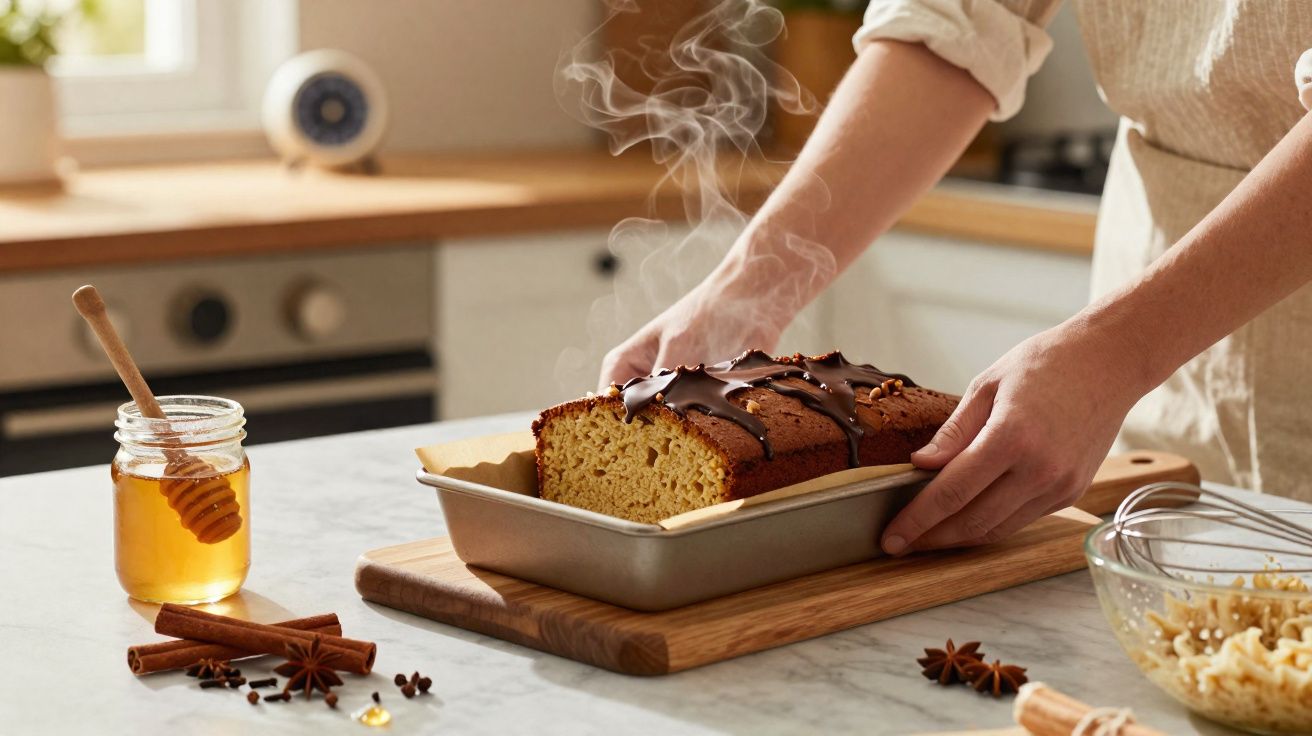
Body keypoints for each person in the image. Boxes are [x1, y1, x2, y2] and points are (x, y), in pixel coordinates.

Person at [598, 1, 1312, 555]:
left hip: (1161, 340)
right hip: (1167, 406)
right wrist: (750, 284)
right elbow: (953, 25)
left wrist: (1119, 352)